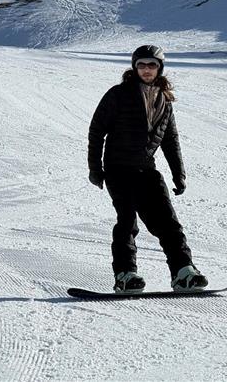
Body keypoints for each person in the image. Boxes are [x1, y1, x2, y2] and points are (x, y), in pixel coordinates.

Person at [87, 45, 209, 293]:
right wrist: (95, 169)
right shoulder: (118, 94)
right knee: (127, 222)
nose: (146, 69)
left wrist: (178, 174)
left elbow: (170, 140)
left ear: (160, 68)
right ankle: (125, 275)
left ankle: (183, 272)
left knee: (168, 222)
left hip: (146, 169)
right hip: (118, 168)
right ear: (134, 67)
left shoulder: (165, 101)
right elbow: (97, 131)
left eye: (151, 65)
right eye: (141, 64)